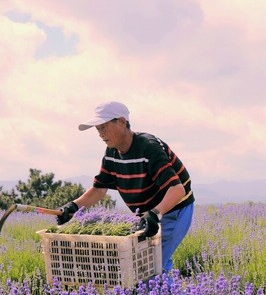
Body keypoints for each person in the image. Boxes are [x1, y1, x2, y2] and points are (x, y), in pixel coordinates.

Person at [57, 100, 195, 274]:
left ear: (122, 122)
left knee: (150, 266)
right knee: (153, 264)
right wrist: (73, 206)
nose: (100, 134)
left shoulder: (149, 147)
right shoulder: (112, 153)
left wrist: (155, 214)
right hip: (149, 213)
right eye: (98, 129)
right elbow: (99, 189)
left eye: (104, 127)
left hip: (174, 209)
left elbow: (177, 190)